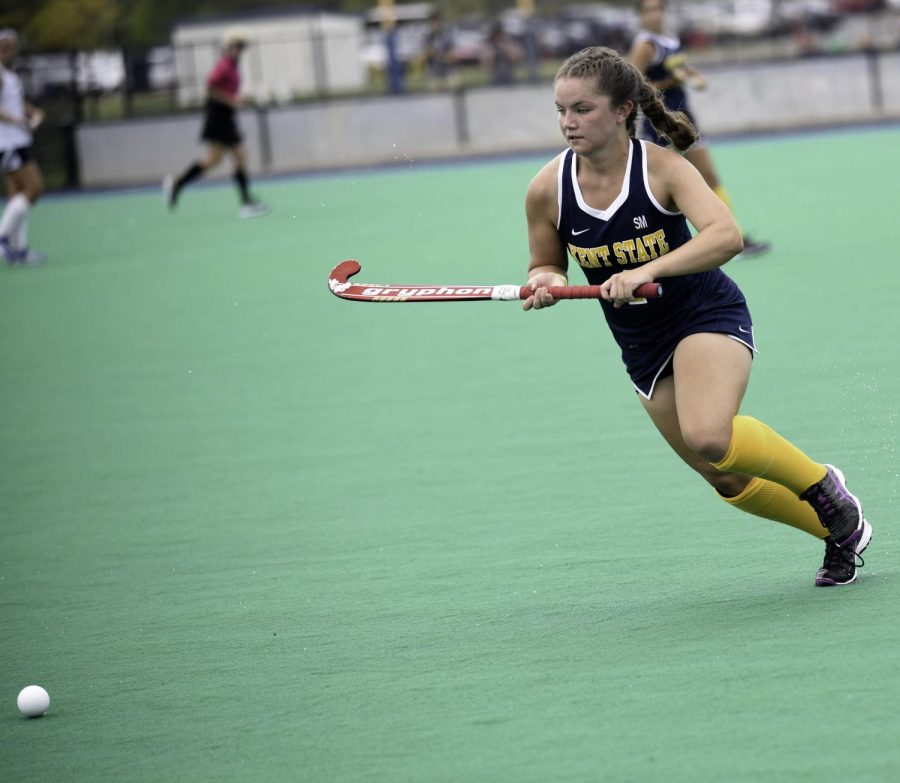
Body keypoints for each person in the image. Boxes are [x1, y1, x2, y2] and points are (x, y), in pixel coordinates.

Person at [522, 46, 871, 586]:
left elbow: (726, 236)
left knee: (709, 434)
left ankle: (823, 486)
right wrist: (546, 281)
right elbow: (546, 262)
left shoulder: (662, 168)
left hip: (704, 313)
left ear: (621, 110)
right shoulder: (547, 189)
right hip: (640, 342)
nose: (568, 123)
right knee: (722, 475)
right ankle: (838, 535)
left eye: (583, 109)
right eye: (560, 110)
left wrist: (646, 270)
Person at [627, 0, 770, 258]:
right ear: (640, 16)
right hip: (660, 125)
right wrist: (672, 80)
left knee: (709, 177)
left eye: (658, 8)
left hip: (685, 121)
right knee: (655, 188)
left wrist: (693, 77)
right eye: (648, 10)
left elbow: (682, 70)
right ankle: (648, 245)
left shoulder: (670, 39)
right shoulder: (646, 46)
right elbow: (632, 87)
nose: (655, 14)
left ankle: (732, 236)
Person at [164, 29, 269, 219]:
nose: (238, 50)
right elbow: (210, 88)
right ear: (228, 47)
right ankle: (246, 203)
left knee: (212, 161)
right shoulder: (224, 66)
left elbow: (229, 93)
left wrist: (241, 99)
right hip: (218, 116)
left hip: (225, 116)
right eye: (235, 46)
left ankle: (177, 184)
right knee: (239, 155)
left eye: (240, 46)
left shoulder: (233, 67)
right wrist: (231, 101)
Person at [0, 28, 46, 265]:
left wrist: (33, 112)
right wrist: (17, 121)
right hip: (8, 142)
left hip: (17, 140)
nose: (9, 52)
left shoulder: (10, 76)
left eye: (12, 47)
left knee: (19, 195)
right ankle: (2, 237)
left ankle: (19, 250)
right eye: (4, 47)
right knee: (34, 188)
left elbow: (16, 103)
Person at [481, 21, 524, 86]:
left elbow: (518, 56)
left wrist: (507, 49)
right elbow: (485, 61)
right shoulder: (490, 43)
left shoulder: (508, 41)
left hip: (508, 72)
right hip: (496, 73)